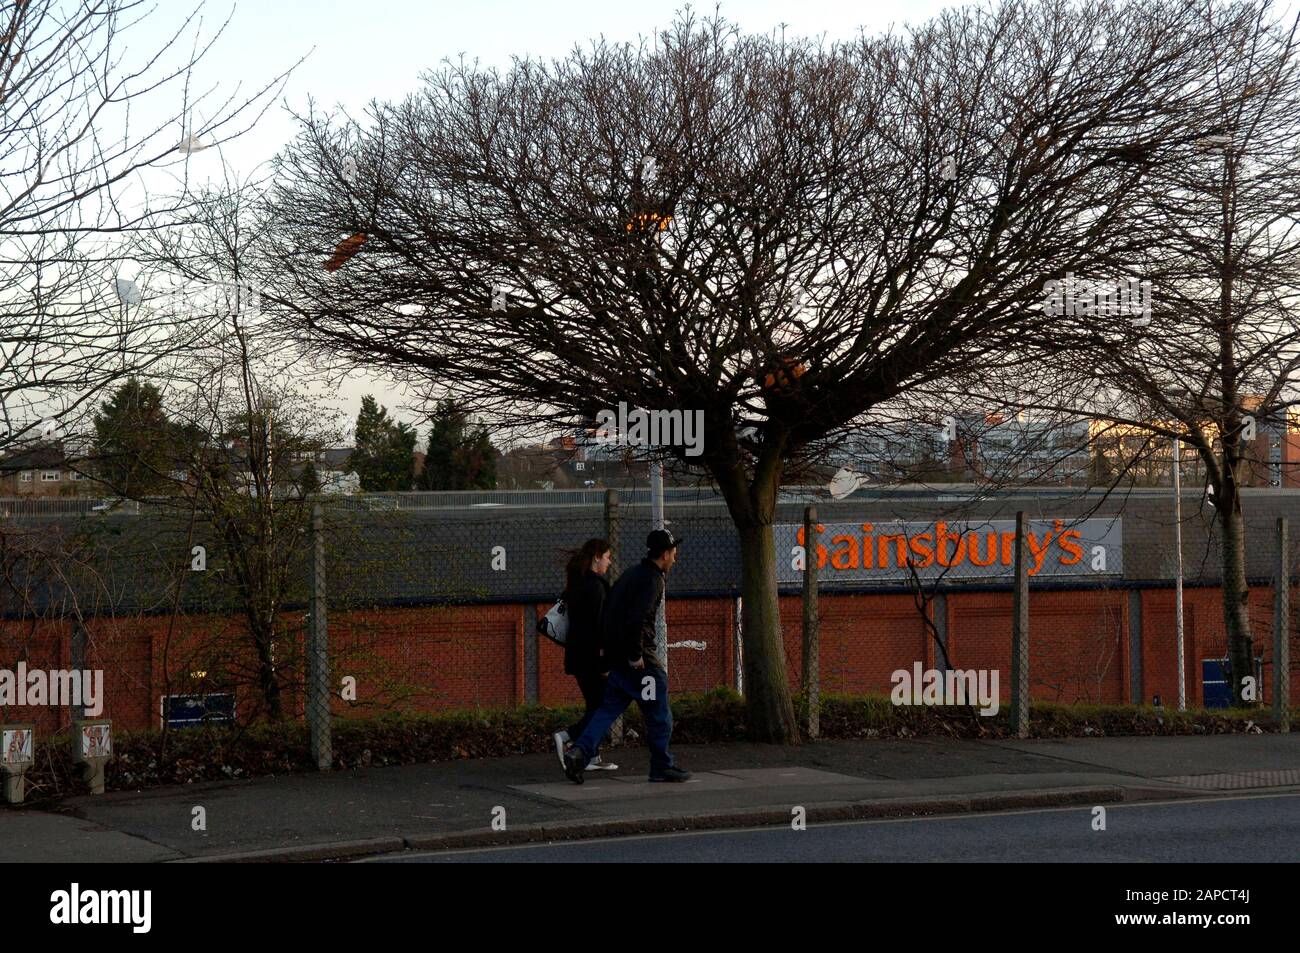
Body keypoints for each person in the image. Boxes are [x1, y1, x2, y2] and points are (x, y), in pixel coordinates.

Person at [562, 529, 691, 784]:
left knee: (608, 710)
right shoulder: (653, 580)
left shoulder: (630, 575)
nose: (675, 558)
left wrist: (613, 656)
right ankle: (662, 766)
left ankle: (579, 752)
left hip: (618, 660)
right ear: (664, 554)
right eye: (673, 553)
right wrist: (636, 655)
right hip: (639, 660)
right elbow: (638, 619)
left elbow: (610, 615)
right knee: (659, 712)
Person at [552, 538, 618, 771]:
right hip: (592, 658)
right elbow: (601, 627)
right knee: (603, 707)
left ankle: (590, 756)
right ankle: (569, 737)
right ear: (597, 557)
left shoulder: (576, 584)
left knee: (595, 704)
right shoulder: (596, 587)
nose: (609, 562)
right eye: (607, 556)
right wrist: (605, 662)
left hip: (577, 656)